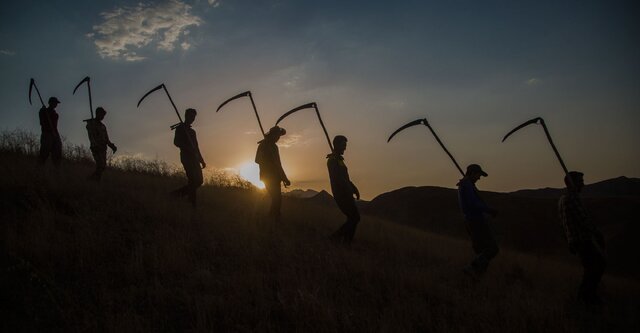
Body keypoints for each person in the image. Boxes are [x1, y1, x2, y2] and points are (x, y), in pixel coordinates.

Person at [558, 171, 606, 305]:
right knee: (597, 266)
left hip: (576, 241)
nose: (583, 184)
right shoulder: (571, 199)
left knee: (591, 268)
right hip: (583, 240)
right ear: (572, 183)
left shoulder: (562, 199)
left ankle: (586, 297)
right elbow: (583, 221)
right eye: (580, 181)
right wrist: (597, 233)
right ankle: (587, 297)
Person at [457, 164, 499, 276]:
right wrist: (489, 210)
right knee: (492, 249)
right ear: (472, 173)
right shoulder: (467, 185)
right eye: (478, 175)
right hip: (476, 221)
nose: (479, 178)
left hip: (472, 221)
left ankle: (475, 278)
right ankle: (471, 267)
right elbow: (473, 204)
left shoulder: (466, 185)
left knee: (482, 251)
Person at [327, 135, 361, 244]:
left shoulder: (339, 160)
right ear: (336, 145)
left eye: (345, 145)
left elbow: (345, 178)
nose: (345, 148)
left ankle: (346, 242)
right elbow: (338, 178)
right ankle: (334, 238)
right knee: (355, 217)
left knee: (353, 218)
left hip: (347, 193)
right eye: (343, 145)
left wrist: (354, 188)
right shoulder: (332, 160)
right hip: (341, 194)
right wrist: (348, 189)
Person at [171, 108, 206, 206]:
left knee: (199, 181)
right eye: (190, 116)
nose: (192, 118)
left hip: (195, 159)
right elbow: (176, 142)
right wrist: (187, 147)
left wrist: (201, 160)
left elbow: (196, 147)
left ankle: (175, 195)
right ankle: (192, 204)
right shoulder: (180, 128)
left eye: (193, 117)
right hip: (186, 158)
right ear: (186, 116)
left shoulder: (192, 132)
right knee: (193, 180)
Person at [255, 126, 291, 220]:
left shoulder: (274, 146)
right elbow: (257, 160)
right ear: (272, 135)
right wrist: (267, 158)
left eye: (279, 136)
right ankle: (272, 219)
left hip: (276, 177)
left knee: (277, 199)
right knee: (276, 198)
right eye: (277, 135)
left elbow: (278, 164)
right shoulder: (263, 145)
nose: (278, 138)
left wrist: (284, 178)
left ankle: (275, 218)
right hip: (267, 176)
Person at [85, 107, 117, 181]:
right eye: (102, 115)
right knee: (100, 165)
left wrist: (112, 146)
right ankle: (92, 180)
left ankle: (94, 180)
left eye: (103, 116)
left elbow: (106, 139)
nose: (103, 117)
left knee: (103, 167)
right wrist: (94, 144)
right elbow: (90, 135)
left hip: (103, 148)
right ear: (97, 114)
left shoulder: (103, 126)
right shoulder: (91, 123)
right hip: (95, 147)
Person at [38, 97, 62, 167]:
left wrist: (46, 112)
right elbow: (42, 122)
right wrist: (43, 111)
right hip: (47, 134)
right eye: (55, 103)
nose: (56, 104)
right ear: (50, 103)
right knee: (44, 153)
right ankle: (38, 171)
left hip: (55, 135)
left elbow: (54, 121)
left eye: (56, 103)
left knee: (57, 153)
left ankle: (56, 172)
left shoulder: (55, 114)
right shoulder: (43, 111)